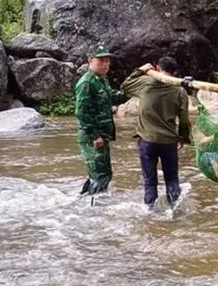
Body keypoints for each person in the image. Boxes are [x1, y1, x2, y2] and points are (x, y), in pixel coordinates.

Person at [120, 57, 192, 208]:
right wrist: (183, 138)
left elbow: (125, 86)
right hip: (169, 141)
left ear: (157, 69)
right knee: (172, 179)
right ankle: (175, 211)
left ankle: (149, 211)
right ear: (175, 72)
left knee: (150, 181)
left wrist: (141, 70)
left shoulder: (145, 83)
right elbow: (184, 119)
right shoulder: (180, 90)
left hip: (147, 140)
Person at [74, 45, 128, 195]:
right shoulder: (86, 83)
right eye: (101, 60)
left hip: (102, 135)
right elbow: (81, 112)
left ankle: (84, 199)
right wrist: (94, 136)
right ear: (91, 61)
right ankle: (94, 208)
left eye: (107, 61)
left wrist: (130, 92)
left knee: (101, 172)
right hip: (93, 136)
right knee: (100, 175)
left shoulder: (101, 80)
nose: (105, 64)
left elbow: (111, 96)